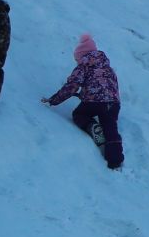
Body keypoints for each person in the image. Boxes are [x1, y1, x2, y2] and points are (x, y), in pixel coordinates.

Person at [42, 33, 124, 170]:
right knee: (110, 127)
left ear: (81, 56)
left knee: (79, 115)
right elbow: (109, 88)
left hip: (94, 103)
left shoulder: (84, 65)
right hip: (113, 104)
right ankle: (115, 162)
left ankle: (92, 126)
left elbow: (71, 86)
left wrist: (53, 100)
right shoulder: (108, 68)